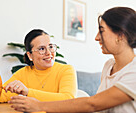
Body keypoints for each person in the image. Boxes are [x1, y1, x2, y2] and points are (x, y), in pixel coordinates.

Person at [8, 7, 136, 113]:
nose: (97, 37)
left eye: (101, 31)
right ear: (30, 55)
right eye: (41, 49)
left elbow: (93, 104)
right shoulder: (109, 66)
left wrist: (38, 105)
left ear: (120, 35)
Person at [0, 29, 77, 102]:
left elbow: (67, 99)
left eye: (50, 47)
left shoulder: (66, 70)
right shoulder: (23, 74)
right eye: (41, 49)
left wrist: (27, 92)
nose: (49, 53)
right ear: (30, 56)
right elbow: (0, 95)